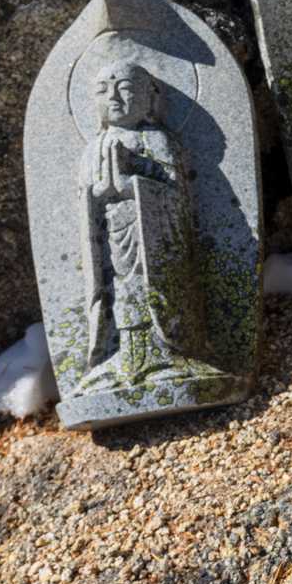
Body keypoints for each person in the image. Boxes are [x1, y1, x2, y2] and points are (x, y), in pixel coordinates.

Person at [75, 59, 219, 393]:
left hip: (152, 237)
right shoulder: (92, 149)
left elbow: (177, 197)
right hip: (111, 237)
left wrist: (134, 186)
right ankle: (125, 357)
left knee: (148, 288)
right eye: (103, 90)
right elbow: (86, 197)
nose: (114, 98)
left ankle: (164, 353)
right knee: (117, 291)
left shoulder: (156, 140)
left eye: (125, 88)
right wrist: (96, 195)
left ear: (148, 97)